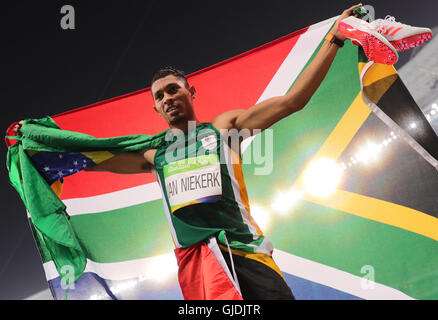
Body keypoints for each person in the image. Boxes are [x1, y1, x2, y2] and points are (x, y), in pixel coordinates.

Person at [12, 4, 429, 300]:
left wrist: (335, 39)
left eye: (174, 89)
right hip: (200, 267)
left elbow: (291, 101)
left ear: (190, 92)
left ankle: (353, 33)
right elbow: (93, 156)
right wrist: (32, 141)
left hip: (246, 251)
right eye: (160, 96)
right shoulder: (152, 155)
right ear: (155, 108)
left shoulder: (225, 127)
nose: (168, 97)